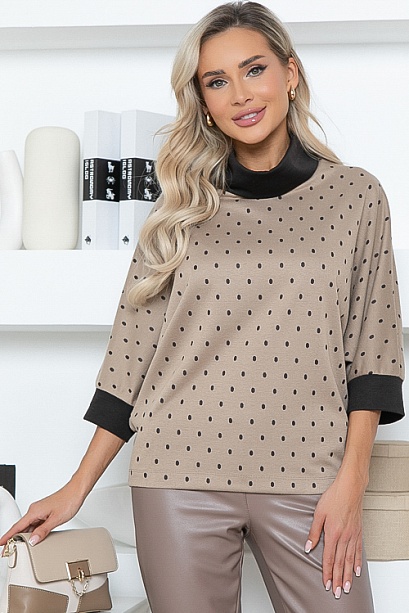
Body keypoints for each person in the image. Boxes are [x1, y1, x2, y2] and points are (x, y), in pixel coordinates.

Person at [1, 2, 405, 611]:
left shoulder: (356, 196)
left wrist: (353, 481)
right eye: (217, 81)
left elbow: (373, 351)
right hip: (177, 475)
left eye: (254, 69)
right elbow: (131, 357)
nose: (240, 94)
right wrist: (76, 488)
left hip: (310, 475)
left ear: (290, 73)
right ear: (203, 101)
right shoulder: (179, 208)